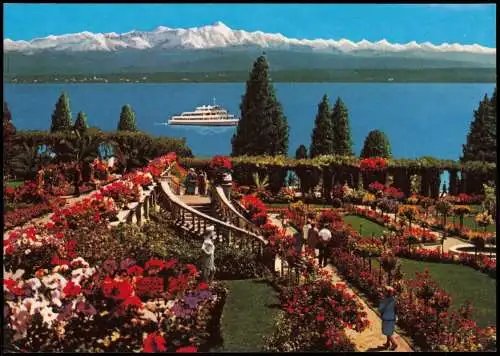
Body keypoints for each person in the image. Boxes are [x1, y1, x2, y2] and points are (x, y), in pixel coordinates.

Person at [379, 285, 398, 350]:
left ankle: (394, 343)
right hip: (392, 318)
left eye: (385, 291)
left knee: (388, 332)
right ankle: (387, 344)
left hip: (387, 317)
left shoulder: (384, 300)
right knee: (389, 331)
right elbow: (396, 309)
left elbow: (381, 309)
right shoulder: (394, 299)